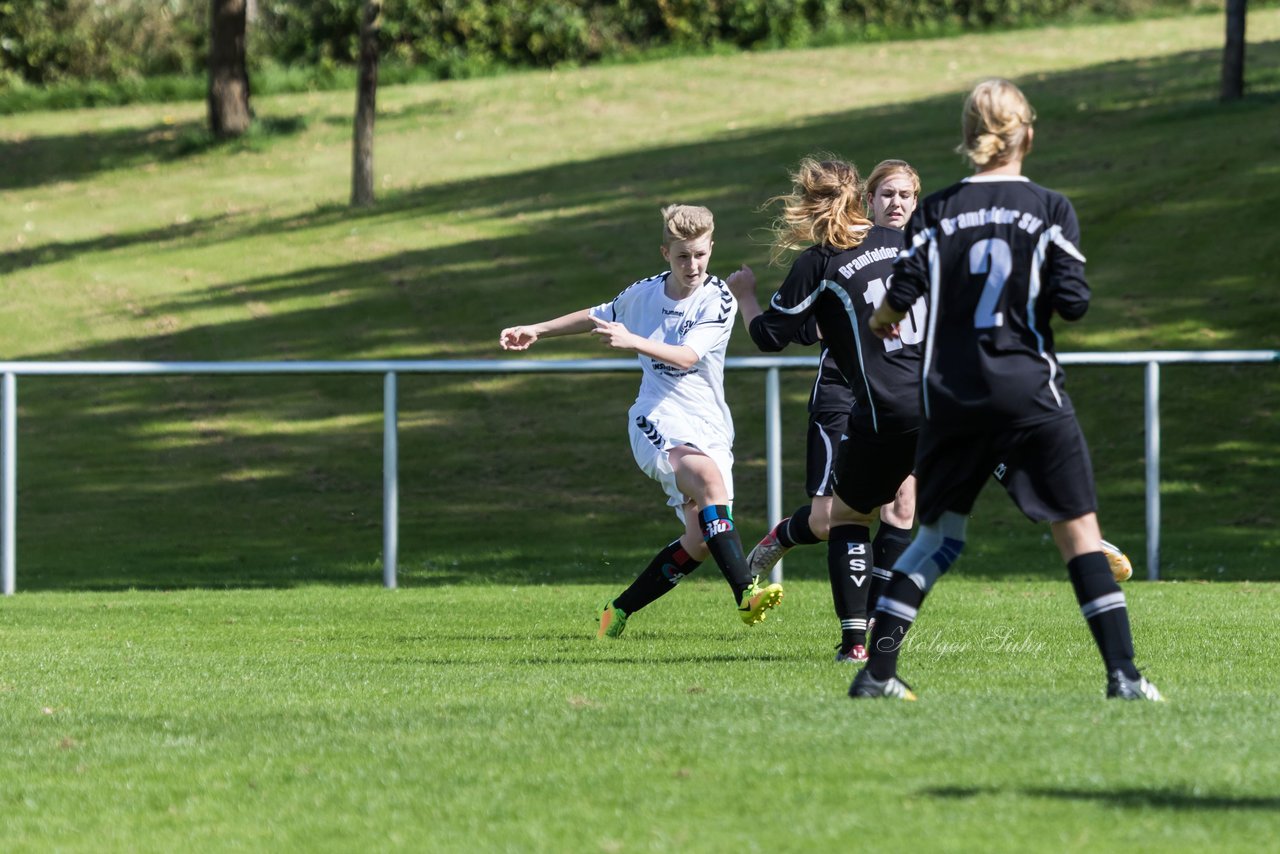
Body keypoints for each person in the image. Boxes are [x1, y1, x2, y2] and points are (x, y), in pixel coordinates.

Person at [852, 78, 1162, 701]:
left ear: (969, 139)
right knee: (1077, 530)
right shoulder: (1050, 208)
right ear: (1027, 135)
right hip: (1028, 393)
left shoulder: (934, 210)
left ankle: (875, 674)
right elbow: (1073, 302)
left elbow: (896, 303)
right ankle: (1124, 677)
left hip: (950, 399)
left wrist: (884, 321)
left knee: (937, 540)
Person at [499, 204, 784, 639]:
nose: (692, 265)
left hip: (709, 424)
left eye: (701, 255)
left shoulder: (718, 299)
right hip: (657, 415)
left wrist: (632, 341)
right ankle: (746, 592)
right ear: (664, 253)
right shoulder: (645, 293)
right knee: (706, 479)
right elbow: (600, 312)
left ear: (711, 249)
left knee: (701, 542)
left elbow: (688, 355)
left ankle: (618, 610)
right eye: (682, 256)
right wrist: (537, 329)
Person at [726, 157, 928, 663]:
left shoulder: (911, 249)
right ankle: (784, 536)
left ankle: (872, 625)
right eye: (888, 194)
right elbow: (783, 332)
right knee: (827, 520)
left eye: (906, 195)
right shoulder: (828, 259)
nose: (897, 204)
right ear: (866, 197)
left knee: (901, 506)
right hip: (843, 392)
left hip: (897, 396)